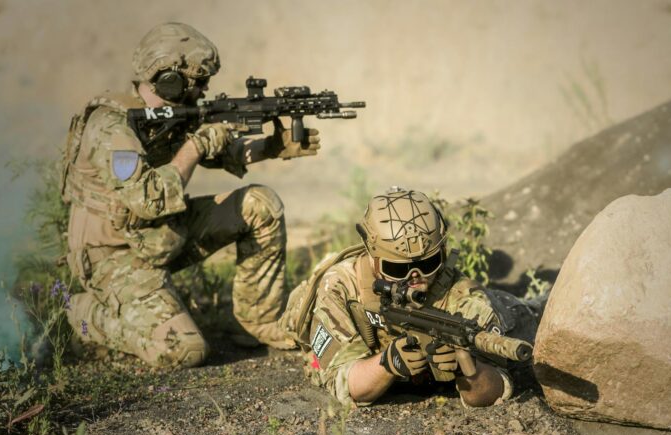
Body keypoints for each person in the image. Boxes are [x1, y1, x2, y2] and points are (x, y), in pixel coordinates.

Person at [62, 22, 320, 368]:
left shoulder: (169, 115)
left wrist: (272, 147)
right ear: (170, 78)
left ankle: (257, 322)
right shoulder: (112, 128)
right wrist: (197, 145)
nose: (204, 89)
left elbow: (222, 154)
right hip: (112, 255)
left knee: (262, 205)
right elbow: (148, 199)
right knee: (183, 351)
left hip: (161, 234)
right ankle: (80, 313)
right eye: (198, 82)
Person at [281, 188, 540, 407]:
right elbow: (345, 383)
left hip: (509, 312)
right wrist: (388, 364)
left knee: (530, 314)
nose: (416, 277)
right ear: (372, 256)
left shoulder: (463, 297)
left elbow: (496, 388)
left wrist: (469, 370)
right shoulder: (341, 287)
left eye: (429, 263)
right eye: (397, 269)